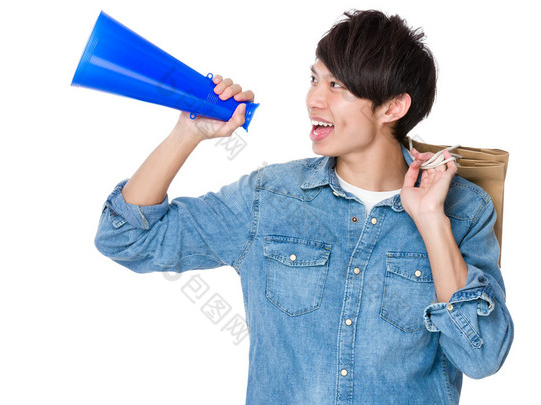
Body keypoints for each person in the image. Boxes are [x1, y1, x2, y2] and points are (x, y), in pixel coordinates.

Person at [95, 9, 513, 404]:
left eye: (337, 87)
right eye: (314, 79)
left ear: (393, 107)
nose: (314, 100)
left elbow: (482, 357)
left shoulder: (463, 210)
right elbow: (125, 237)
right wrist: (187, 133)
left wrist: (430, 220)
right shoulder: (270, 197)